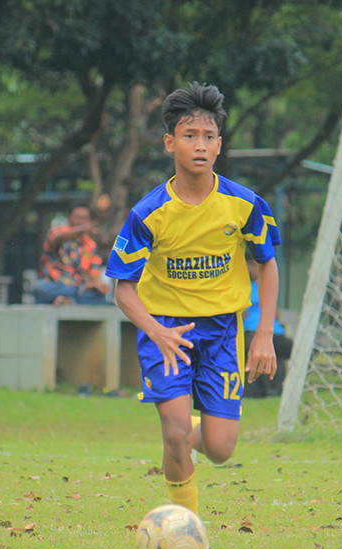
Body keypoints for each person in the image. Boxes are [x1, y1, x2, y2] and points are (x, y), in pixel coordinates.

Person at [105, 82, 281, 515]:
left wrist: (263, 336)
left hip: (224, 330)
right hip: (167, 330)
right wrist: (156, 332)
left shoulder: (245, 205)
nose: (199, 146)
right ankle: (184, 523)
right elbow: (122, 289)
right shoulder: (148, 213)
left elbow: (268, 265)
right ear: (170, 143)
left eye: (207, 137)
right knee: (174, 434)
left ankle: (190, 434)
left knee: (220, 449)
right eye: (189, 136)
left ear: (219, 146)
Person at [33, 204, 111, 305]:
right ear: (68, 218)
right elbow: (58, 238)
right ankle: (69, 300)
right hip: (54, 285)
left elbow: (94, 275)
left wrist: (99, 285)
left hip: (78, 288)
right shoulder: (56, 233)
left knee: (99, 297)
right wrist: (82, 229)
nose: (81, 222)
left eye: (85, 218)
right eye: (78, 217)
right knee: (39, 288)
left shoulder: (91, 246)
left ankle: (66, 301)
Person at [242, 255, 293, 398]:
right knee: (260, 348)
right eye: (251, 264)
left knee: (293, 349)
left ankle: (284, 386)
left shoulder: (265, 287)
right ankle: (268, 389)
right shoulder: (243, 286)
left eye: (255, 264)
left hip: (274, 332)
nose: (253, 268)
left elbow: (276, 314)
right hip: (252, 332)